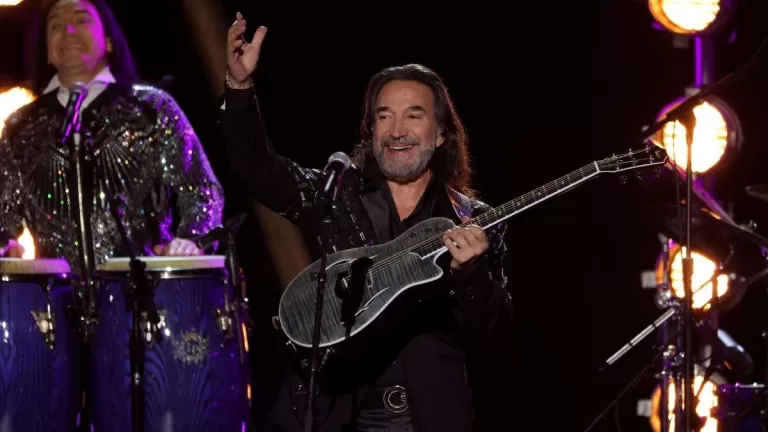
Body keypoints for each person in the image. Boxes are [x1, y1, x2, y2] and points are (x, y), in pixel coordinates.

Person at [221, 13, 514, 431]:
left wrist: (471, 274)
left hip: (428, 419)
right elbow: (257, 169)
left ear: (440, 134)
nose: (397, 130)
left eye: (413, 115)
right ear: (370, 130)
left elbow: (494, 339)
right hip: (334, 414)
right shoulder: (337, 196)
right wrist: (239, 87)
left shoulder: (474, 221)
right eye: (384, 116)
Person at [0, 0, 224, 270]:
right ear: (47, 52)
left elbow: (202, 191)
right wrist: (5, 246)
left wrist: (190, 241)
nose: (68, 30)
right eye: (56, 25)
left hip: (146, 288)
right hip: (56, 291)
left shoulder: (151, 108)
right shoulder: (20, 126)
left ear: (108, 41)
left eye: (81, 20)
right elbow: (4, 215)